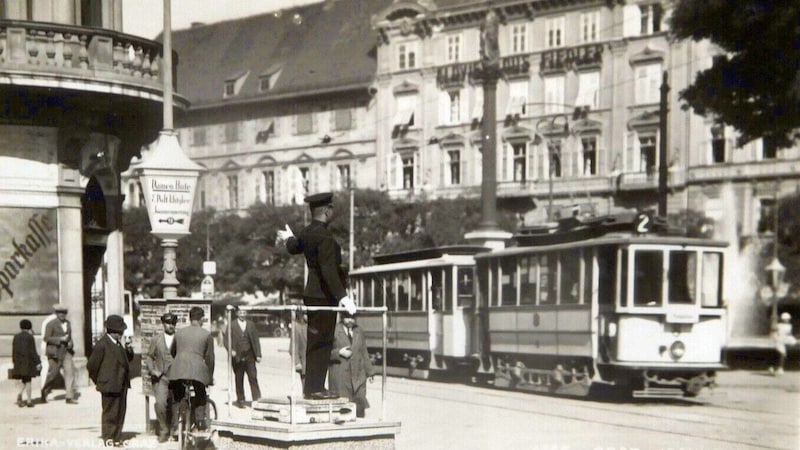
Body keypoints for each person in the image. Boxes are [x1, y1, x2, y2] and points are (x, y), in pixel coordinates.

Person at [276, 191, 357, 399]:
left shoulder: (307, 232)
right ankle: (316, 388)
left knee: (314, 341)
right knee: (323, 341)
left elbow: (294, 247)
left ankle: (311, 387)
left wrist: (289, 238)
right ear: (327, 210)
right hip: (324, 296)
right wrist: (343, 297)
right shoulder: (326, 237)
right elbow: (328, 270)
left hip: (311, 293)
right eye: (331, 208)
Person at [87, 315, 134, 445]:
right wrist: (101, 380)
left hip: (121, 384)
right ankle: (108, 437)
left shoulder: (118, 344)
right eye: (120, 332)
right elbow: (92, 366)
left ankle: (117, 437)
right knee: (110, 413)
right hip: (109, 384)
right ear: (112, 331)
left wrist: (129, 348)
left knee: (120, 411)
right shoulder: (102, 344)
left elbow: (126, 359)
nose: (122, 334)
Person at [167, 306, 215, 431]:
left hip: (178, 369)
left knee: (178, 396)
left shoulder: (179, 333)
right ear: (202, 319)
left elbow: (172, 352)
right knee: (200, 392)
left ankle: (177, 424)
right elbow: (210, 359)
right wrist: (209, 377)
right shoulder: (207, 334)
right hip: (197, 370)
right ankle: (199, 422)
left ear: (190, 318)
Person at [329, 312, 377, 418]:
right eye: (347, 317)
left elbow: (364, 351)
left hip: (358, 376)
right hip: (340, 375)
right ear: (341, 317)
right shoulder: (333, 330)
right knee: (343, 410)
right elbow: (323, 354)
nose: (350, 320)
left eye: (352, 317)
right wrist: (338, 352)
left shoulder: (359, 331)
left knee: (360, 407)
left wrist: (370, 372)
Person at [145, 313, 178, 443]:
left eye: (173, 324)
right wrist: (153, 370)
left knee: (177, 405)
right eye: (168, 323)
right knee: (160, 404)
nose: (171, 326)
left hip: (177, 377)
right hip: (161, 378)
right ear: (163, 324)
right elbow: (149, 357)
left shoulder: (179, 339)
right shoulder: (156, 340)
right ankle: (164, 429)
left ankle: (175, 430)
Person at [223, 306, 262, 407]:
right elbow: (226, 340)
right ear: (237, 313)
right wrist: (231, 350)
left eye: (244, 312)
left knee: (253, 377)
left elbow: (256, 340)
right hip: (237, 356)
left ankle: (256, 399)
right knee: (239, 378)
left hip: (250, 355)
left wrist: (258, 354)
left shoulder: (251, 324)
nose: (242, 314)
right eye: (240, 312)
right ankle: (241, 399)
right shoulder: (231, 325)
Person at [42, 304, 77, 404]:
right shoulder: (51, 324)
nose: (62, 315)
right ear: (56, 314)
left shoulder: (68, 323)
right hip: (55, 352)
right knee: (52, 374)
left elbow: (69, 337)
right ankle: (45, 391)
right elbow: (46, 338)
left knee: (70, 373)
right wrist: (59, 339)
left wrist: (70, 343)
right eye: (60, 313)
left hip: (66, 351)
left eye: (64, 313)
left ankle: (69, 396)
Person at [12, 319, 41, 408]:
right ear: (29, 327)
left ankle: (20, 394)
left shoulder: (16, 337)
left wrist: (15, 362)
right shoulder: (30, 337)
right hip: (28, 362)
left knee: (24, 381)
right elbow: (32, 351)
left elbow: (14, 351)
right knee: (28, 381)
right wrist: (38, 362)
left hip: (19, 363)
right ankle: (29, 400)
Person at [290, 311, 308, 387]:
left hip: (316, 366)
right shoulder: (297, 328)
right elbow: (293, 347)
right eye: (306, 314)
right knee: (306, 389)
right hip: (304, 364)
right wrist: (297, 362)